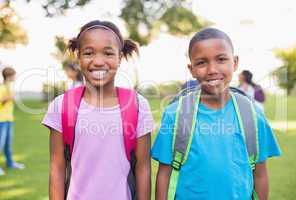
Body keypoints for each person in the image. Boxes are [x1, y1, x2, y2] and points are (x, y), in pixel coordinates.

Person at [152, 28, 281, 200]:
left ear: (235, 62)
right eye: (201, 63)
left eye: (221, 59)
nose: (212, 69)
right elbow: (164, 173)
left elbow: (260, 174)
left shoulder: (252, 115)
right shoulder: (175, 115)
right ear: (191, 69)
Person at [42, 20, 155, 199]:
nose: (98, 61)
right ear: (78, 57)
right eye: (88, 53)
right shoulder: (61, 105)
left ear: (120, 57)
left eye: (108, 53)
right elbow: (57, 167)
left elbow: (143, 168)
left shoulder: (138, 105)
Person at [0, 67, 25, 176]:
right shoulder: (2, 88)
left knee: (7, 144)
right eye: (14, 75)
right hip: (2, 120)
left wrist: (11, 98)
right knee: (1, 144)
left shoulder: (9, 87)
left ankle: (10, 163)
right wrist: (8, 98)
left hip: (9, 119)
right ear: (9, 76)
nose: (15, 77)